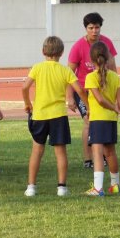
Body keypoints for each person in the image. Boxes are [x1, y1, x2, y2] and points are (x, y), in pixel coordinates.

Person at [23, 36, 88, 197]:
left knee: (37, 151)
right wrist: (88, 105)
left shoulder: (37, 68)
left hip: (39, 115)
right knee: (61, 152)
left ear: (43, 51)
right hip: (58, 115)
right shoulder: (65, 70)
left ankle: (31, 187)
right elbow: (79, 90)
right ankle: (61, 187)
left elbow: (25, 87)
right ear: (61, 52)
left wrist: (27, 104)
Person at [67, 12, 117, 169]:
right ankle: (88, 158)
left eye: (97, 27)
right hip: (84, 91)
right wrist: (69, 97)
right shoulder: (77, 47)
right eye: (91, 28)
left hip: (103, 90)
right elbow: (69, 74)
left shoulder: (107, 43)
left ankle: (103, 155)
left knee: (102, 122)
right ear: (85, 28)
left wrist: (115, 91)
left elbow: (113, 68)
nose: (94, 31)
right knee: (89, 122)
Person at [84, 42, 120, 196]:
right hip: (111, 120)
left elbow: (99, 100)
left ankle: (98, 188)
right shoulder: (115, 77)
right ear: (108, 58)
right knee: (110, 153)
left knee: (97, 152)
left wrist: (113, 108)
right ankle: (115, 184)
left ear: (91, 59)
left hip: (98, 120)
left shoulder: (90, 77)